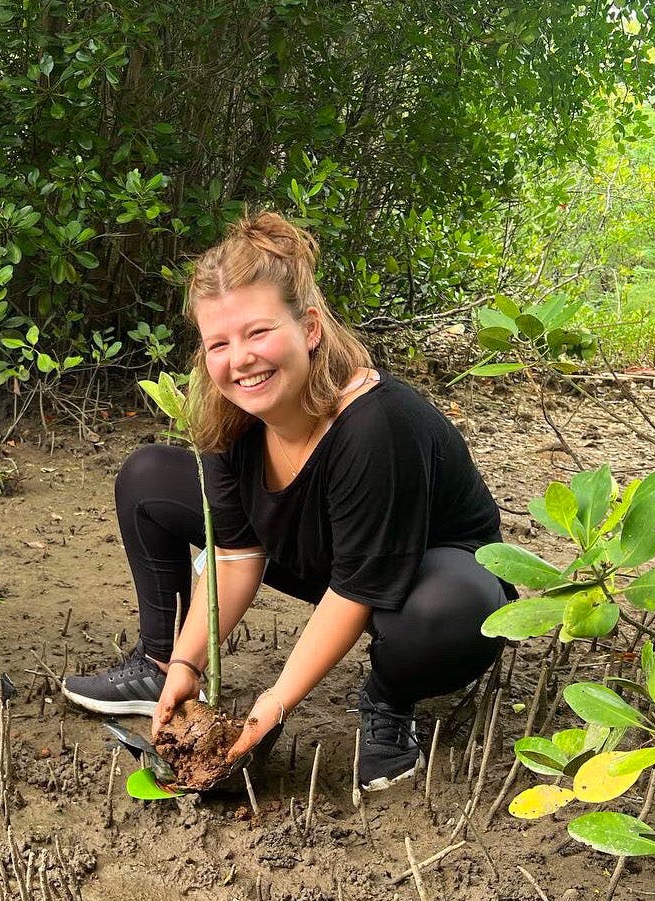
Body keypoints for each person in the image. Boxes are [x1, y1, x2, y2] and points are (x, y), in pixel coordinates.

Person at [62, 212, 508, 790]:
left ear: (312, 329)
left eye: (258, 332)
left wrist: (274, 705)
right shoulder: (234, 415)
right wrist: (186, 663)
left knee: (455, 605)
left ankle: (389, 700)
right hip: (323, 555)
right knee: (148, 475)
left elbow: (357, 585)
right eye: (218, 343)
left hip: (423, 570)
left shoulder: (377, 423)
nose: (240, 359)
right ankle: (155, 668)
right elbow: (237, 555)